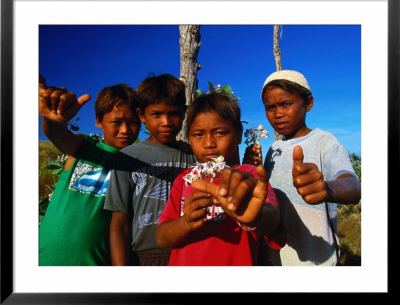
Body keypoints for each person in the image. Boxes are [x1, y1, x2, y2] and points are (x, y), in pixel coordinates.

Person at [244, 69, 361, 266]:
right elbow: (267, 195)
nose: (277, 113)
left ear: (308, 103)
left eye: (285, 104)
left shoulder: (324, 141)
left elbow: (353, 187)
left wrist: (326, 188)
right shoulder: (273, 149)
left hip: (316, 261)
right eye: (270, 107)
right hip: (274, 259)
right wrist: (254, 170)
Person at [156, 91, 286, 266]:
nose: (209, 143)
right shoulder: (185, 179)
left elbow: (273, 218)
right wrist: (185, 223)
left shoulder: (248, 175)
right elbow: (162, 237)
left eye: (219, 133)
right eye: (198, 134)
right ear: (189, 138)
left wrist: (255, 218)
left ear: (238, 135)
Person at [39, 76, 141, 265]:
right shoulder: (84, 146)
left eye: (133, 122)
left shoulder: (137, 166)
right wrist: (53, 120)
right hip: (46, 260)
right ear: (98, 121)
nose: (125, 129)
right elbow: (57, 134)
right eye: (116, 122)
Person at [104, 74, 197, 266]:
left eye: (174, 113)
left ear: (183, 113)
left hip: (189, 252)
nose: (166, 122)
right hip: (144, 258)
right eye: (157, 114)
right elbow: (119, 223)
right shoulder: (128, 157)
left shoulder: (193, 156)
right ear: (141, 115)